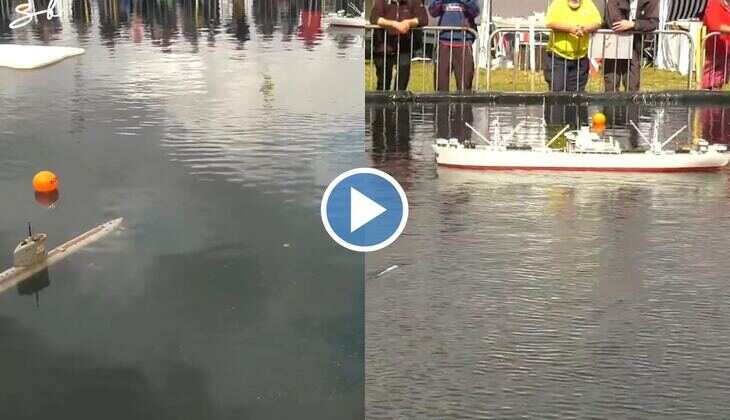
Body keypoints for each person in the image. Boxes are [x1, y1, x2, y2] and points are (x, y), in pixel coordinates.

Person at [544, 0, 602, 92]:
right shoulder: (558, 3)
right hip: (558, 58)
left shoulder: (588, 3)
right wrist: (571, 29)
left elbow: (597, 22)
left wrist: (584, 29)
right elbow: (550, 22)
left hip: (580, 59)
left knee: (577, 95)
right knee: (557, 93)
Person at [370, 0, 428, 91]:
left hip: (404, 47)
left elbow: (423, 19)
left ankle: (399, 100)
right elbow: (374, 18)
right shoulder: (382, 1)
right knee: (383, 83)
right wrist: (394, 24)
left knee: (402, 82)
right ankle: (383, 100)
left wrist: (408, 22)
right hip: (384, 47)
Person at [603, 0, 659, 92]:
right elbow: (615, 22)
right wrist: (636, 27)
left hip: (634, 46)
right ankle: (610, 101)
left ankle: (631, 101)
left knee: (633, 84)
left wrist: (633, 24)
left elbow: (653, 23)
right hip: (613, 43)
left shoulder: (651, 1)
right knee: (611, 83)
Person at [428, 0, 479, 91]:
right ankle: (441, 101)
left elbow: (475, 11)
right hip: (444, 42)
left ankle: (463, 101)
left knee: (465, 86)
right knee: (441, 85)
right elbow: (432, 12)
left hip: (464, 42)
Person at [702, 0, 730, 90]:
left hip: (726, 52)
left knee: (719, 83)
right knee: (708, 84)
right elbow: (714, 25)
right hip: (713, 53)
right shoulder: (714, 2)